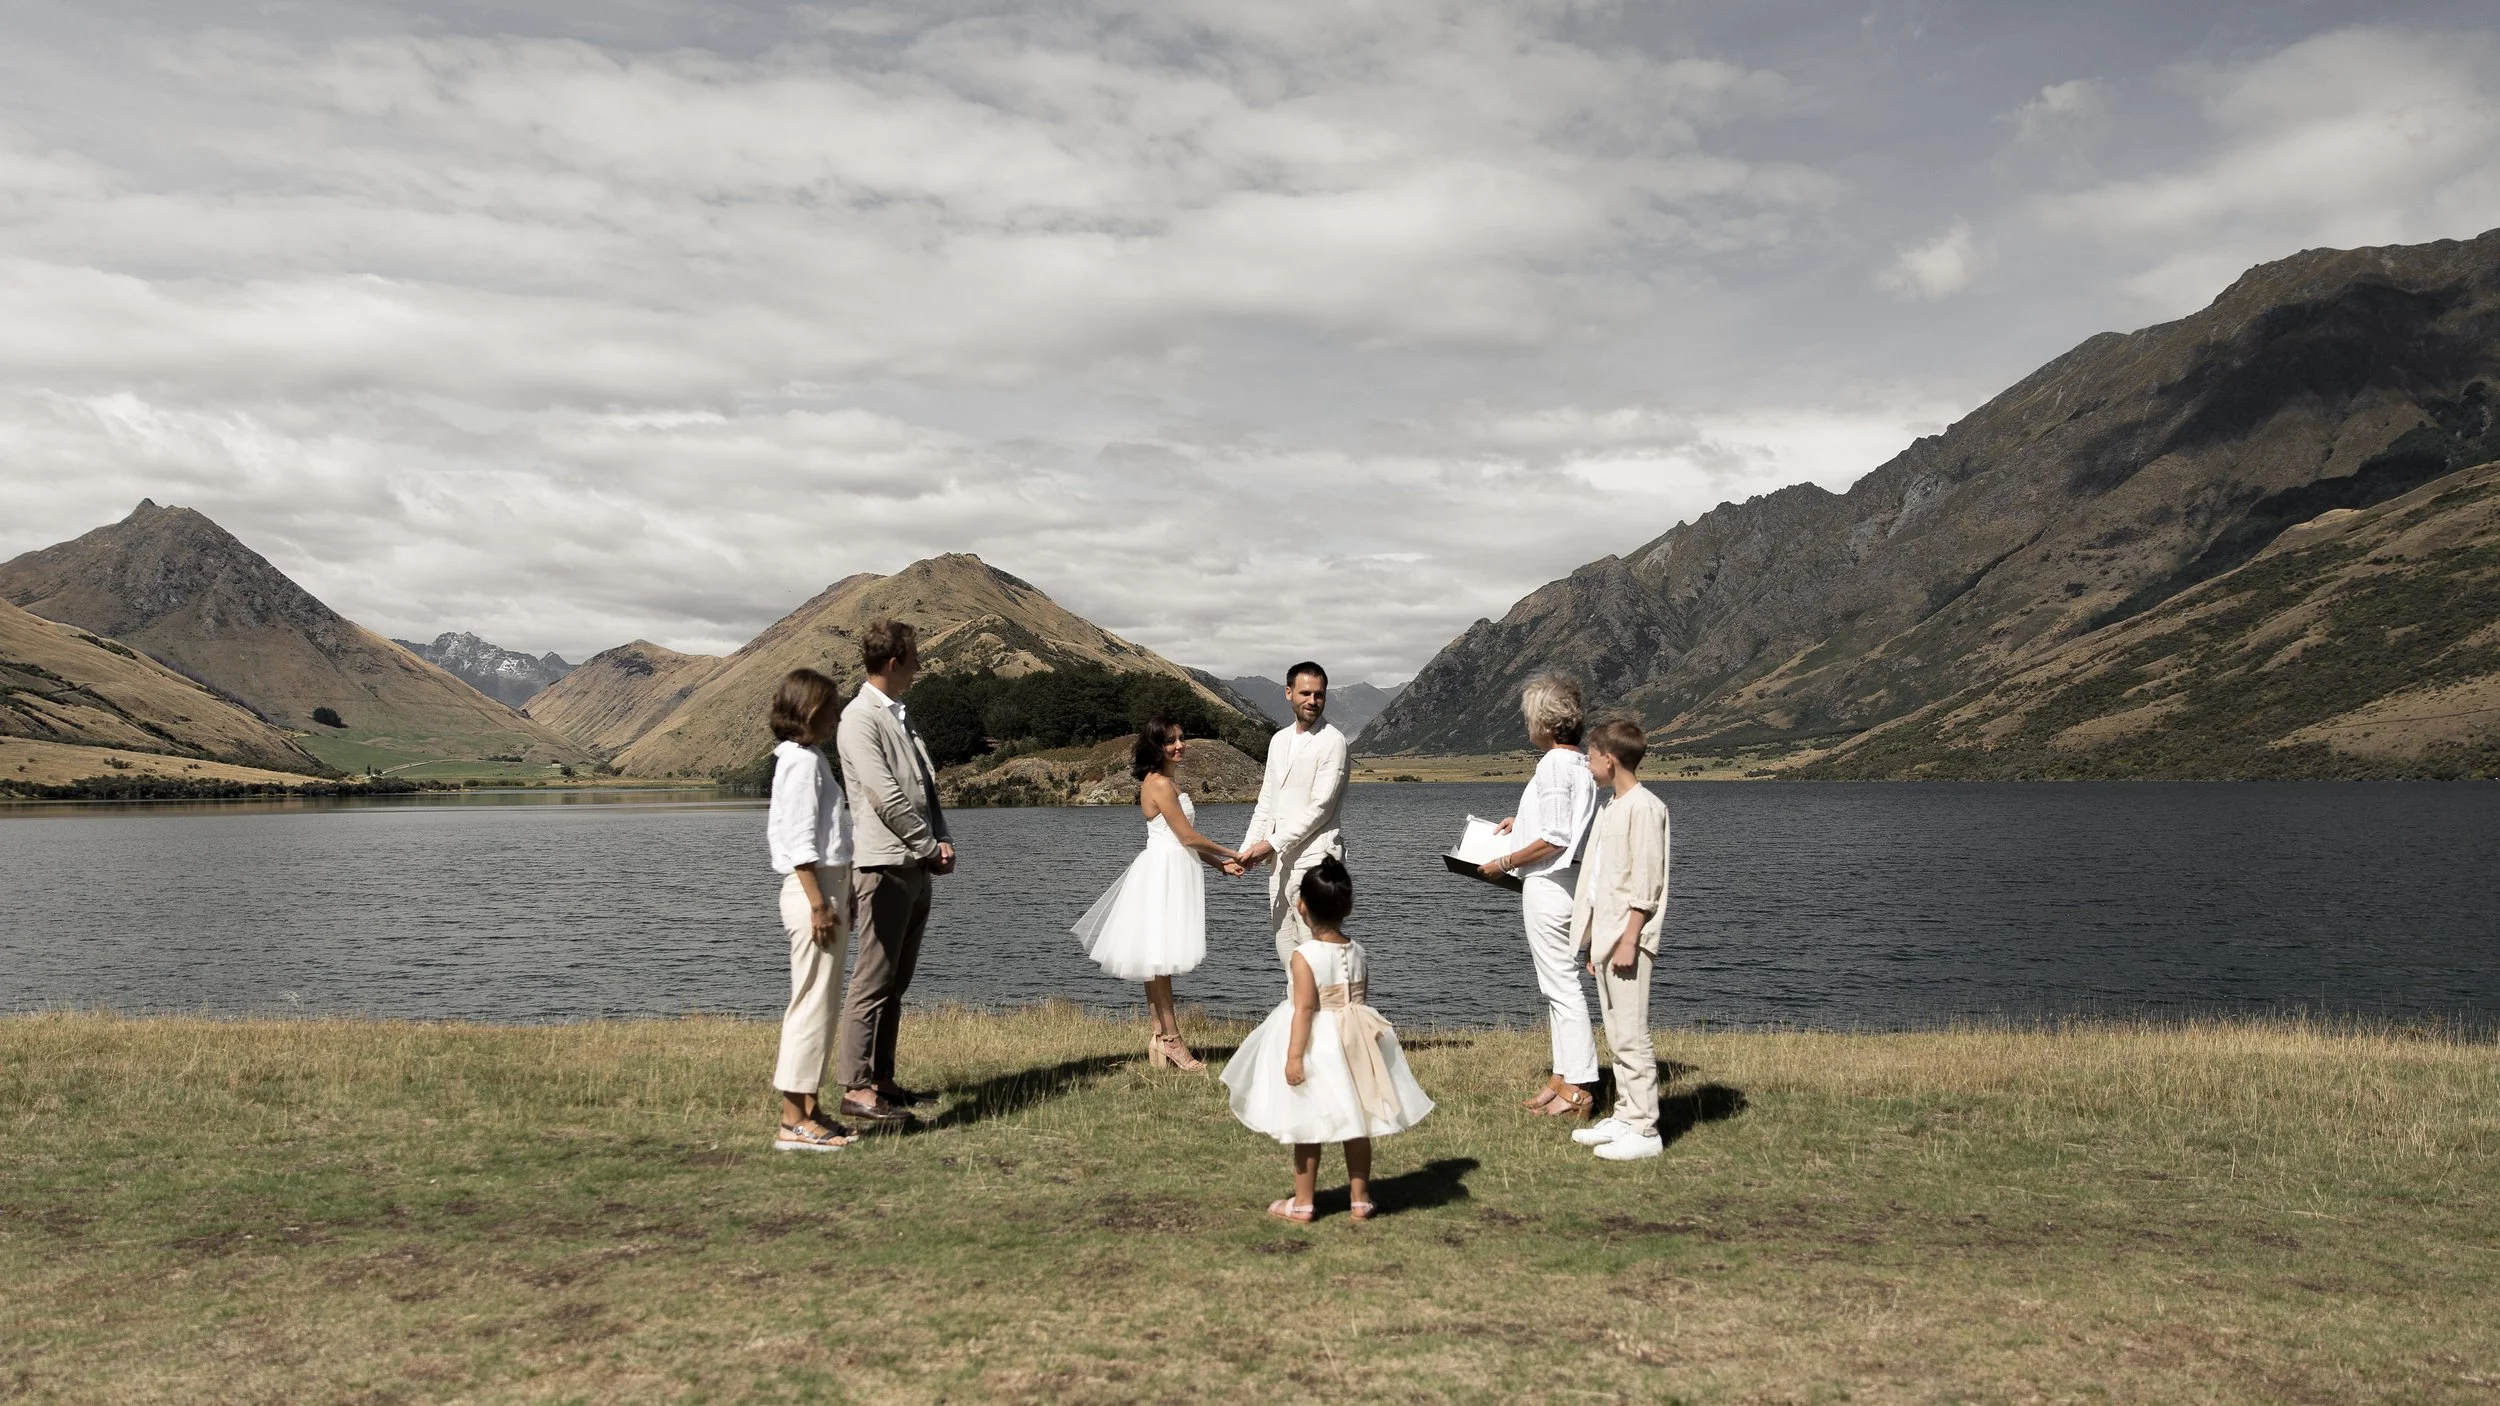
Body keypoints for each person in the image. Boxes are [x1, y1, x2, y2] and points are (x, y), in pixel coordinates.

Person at [1220, 857, 1434, 1222]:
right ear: (1346, 906)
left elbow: (1304, 1009)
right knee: (1360, 1120)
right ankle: (1361, 1198)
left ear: (1302, 907)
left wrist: (1293, 1056)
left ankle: (1303, 1202)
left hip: (1319, 1044)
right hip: (1358, 1040)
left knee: (1306, 1120)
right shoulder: (1358, 949)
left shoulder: (1304, 955)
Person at [1071, 714, 1248, 1070]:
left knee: (1158, 961)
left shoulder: (1166, 781)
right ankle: (1173, 1041)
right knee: (1160, 961)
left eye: (1181, 738)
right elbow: (1187, 837)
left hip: (1172, 868)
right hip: (1163, 874)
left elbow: (1182, 840)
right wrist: (1233, 853)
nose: (1179, 745)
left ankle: (1160, 1038)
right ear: (1156, 747)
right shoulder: (1160, 785)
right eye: (1170, 741)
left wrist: (1218, 865)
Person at [833, 619, 954, 1127]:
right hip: (885, 865)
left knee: (896, 981)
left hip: (914, 864)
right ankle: (857, 1088)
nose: (920, 665)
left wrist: (941, 838)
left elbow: (924, 789)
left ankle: (882, 1079)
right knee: (872, 980)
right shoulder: (860, 719)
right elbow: (887, 797)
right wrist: (929, 847)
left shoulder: (898, 716)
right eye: (915, 657)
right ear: (892, 662)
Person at [1478, 674, 1600, 1119]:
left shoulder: (1551, 765)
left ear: (1543, 724)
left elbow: (1554, 837)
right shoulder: (1582, 765)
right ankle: (1561, 1077)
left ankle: (1580, 1087)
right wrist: (1521, 822)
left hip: (1548, 885)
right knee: (1558, 985)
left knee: (1561, 987)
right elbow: (1567, 824)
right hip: (1573, 884)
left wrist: (1504, 862)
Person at [1568, 718, 1672, 1162]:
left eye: (1590, 758)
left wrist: (1629, 939)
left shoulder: (1645, 808)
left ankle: (1646, 1129)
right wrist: (1594, 940)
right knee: (1615, 1030)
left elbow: (1645, 884)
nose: (1588, 766)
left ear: (1609, 759)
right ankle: (1627, 1114)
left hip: (1628, 939)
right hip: (1608, 937)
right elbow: (1599, 882)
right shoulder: (1613, 806)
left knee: (1631, 1034)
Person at [764, 668, 856, 1152]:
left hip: (826, 887)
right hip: (813, 892)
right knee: (810, 1006)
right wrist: (820, 903)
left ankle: (808, 1109)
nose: (838, 715)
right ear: (811, 711)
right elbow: (801, 840)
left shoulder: (806, 758)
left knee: (819, 1004)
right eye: (832, 707)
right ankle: (791, 1121)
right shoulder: (800, 763)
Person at [1237, 661, 1351, 969]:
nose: (1312, 701)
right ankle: (1299, 1014)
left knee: (1315, 951)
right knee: (1285, 945)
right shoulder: (1278, 740)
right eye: (1305, 693)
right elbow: (1267, 801)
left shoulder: (1333, 741)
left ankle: (1323, 1015)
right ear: (1289, 693)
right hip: (1280, 863)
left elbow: (1321, 808)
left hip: (1316, 861)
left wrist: (1269, 844)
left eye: (1319, 695)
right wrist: (1247, 851)